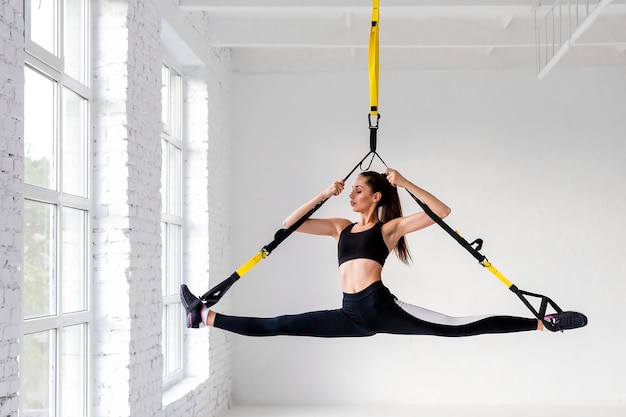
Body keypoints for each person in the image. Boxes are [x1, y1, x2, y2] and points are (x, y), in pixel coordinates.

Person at [181, 169, 587, 336]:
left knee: (458, 325)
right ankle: (204, 315)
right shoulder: (340, 227)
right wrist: (325, 193)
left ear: (376, 197)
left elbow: (442, 213)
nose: (352, 194)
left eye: (359, 190)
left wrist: (405, 181)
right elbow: (288, 227)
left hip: (380, 307)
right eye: (351, 189)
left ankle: (543, 323)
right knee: (282, 324)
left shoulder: (388, 228)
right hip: (349, 313)